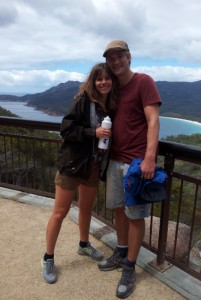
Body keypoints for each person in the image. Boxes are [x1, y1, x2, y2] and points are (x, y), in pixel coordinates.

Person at [41, 62, 118, 284]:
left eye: (107, 78)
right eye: (99, 78)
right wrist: (92, 132)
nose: (103, 82)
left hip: (93, 166)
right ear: (93, 81)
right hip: (73, 165)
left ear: (112, 82)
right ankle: (48, 257)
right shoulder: (84, 102)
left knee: (86, 209)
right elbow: (65, 129)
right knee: (60, 212)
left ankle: (83, 245)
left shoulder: (110, 106)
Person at [98, 40, 161, 299]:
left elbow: (153, 120)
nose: (115, 62)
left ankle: (130, 267)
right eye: (111, 58)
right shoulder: (112, 88)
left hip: (135, 165)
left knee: (135, 215)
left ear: (129, 57)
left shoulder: (144, 82)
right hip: (113, 161)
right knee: (118, 211)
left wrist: (149, 158)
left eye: (119, 56)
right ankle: (121, 252)